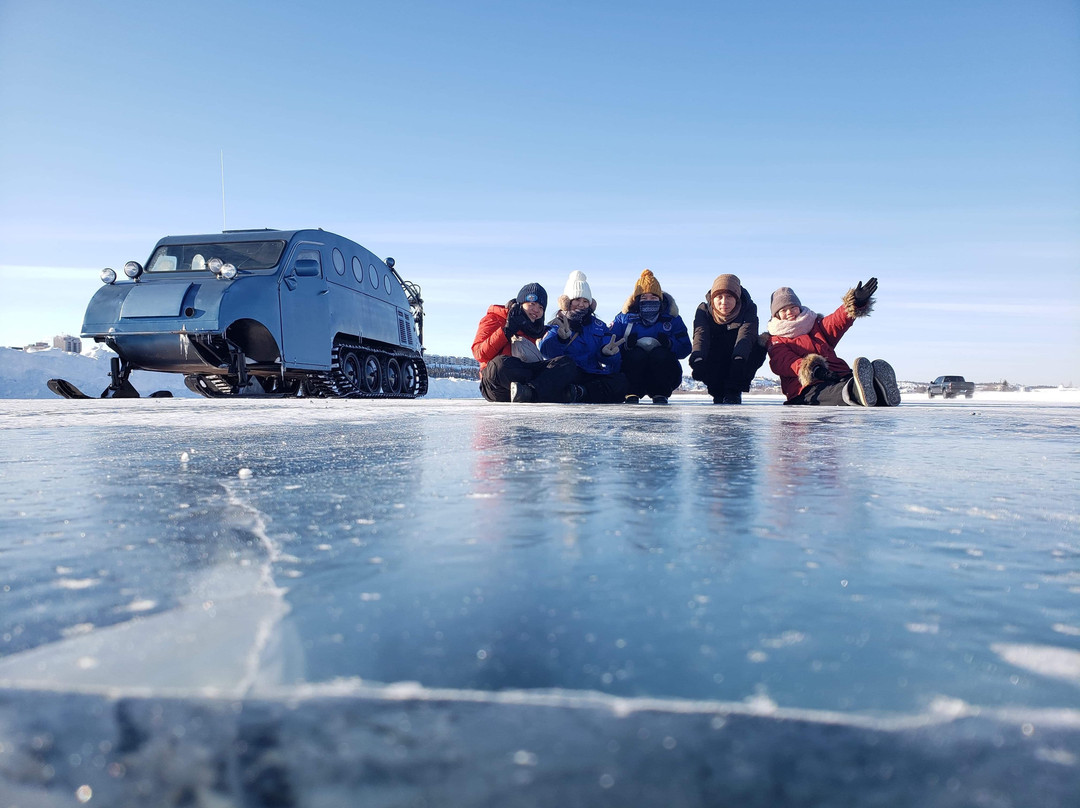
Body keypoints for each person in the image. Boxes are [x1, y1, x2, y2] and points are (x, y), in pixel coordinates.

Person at [764, 278, 901, 406]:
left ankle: (879, 390)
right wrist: (814, 369)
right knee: (833, 391)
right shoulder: (776, 340)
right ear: (776, 315)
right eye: (783, 310)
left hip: (837, 374)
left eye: (793, 307)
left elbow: (835, 322)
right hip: (805, 387)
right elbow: (784, 362)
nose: (789, 312)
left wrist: (854, 303)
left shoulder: (814, 325)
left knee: (847, 382)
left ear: (799, 307)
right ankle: (855, 392)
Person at [471, 283, 578, 402]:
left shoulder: (536, 328)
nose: (536, 310)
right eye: (532, 304)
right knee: (500, 364)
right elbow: (479, 354)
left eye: (541, 307)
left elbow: (549, 349)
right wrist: (506, 331)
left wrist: (561, 339)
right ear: (520, 303)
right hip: (498, 384)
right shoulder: (494, 318)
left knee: (566, 364)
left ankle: (529, 392)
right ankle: (547, 393)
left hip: (527, 378)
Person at [539, 271, 629, 403]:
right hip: (569, 372)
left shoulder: (599, 326)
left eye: (585, 301)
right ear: (567, 302)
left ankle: (580, 392)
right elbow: (546, 352)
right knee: (564, 366)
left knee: (619, 382)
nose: (581, 304)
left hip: (592, 373)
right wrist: (560, 339)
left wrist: (607, 353)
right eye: (577, 300)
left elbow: (611, 355)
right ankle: (575, 391)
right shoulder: (557, 324)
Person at [609, 269, 691, 404]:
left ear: (660, 299)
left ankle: (660, 393)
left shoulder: (672, 319)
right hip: (629, 375)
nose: (649, 301)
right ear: (636, 300)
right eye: (644, 298)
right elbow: (609, 346)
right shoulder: (623, 319)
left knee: (660, 354)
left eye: (653, 297)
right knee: (635, 354)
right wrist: (624, 346)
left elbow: (685, 348)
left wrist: (670, 345)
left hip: (665, 376)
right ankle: (631, 393)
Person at [688, 274, 767, 404]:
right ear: (713, 299)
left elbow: (746, 335)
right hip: (715, 353)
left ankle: (734, 391)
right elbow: (700, 335)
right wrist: (698, 359)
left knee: (758, 347)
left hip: (740, 353)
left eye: (729, 297)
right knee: (712, 349)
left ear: (737, 298)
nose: (724, 302)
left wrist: (739, 360)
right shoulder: (703, 310)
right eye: (719, 297)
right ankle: (717, 390)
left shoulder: (748, 308)